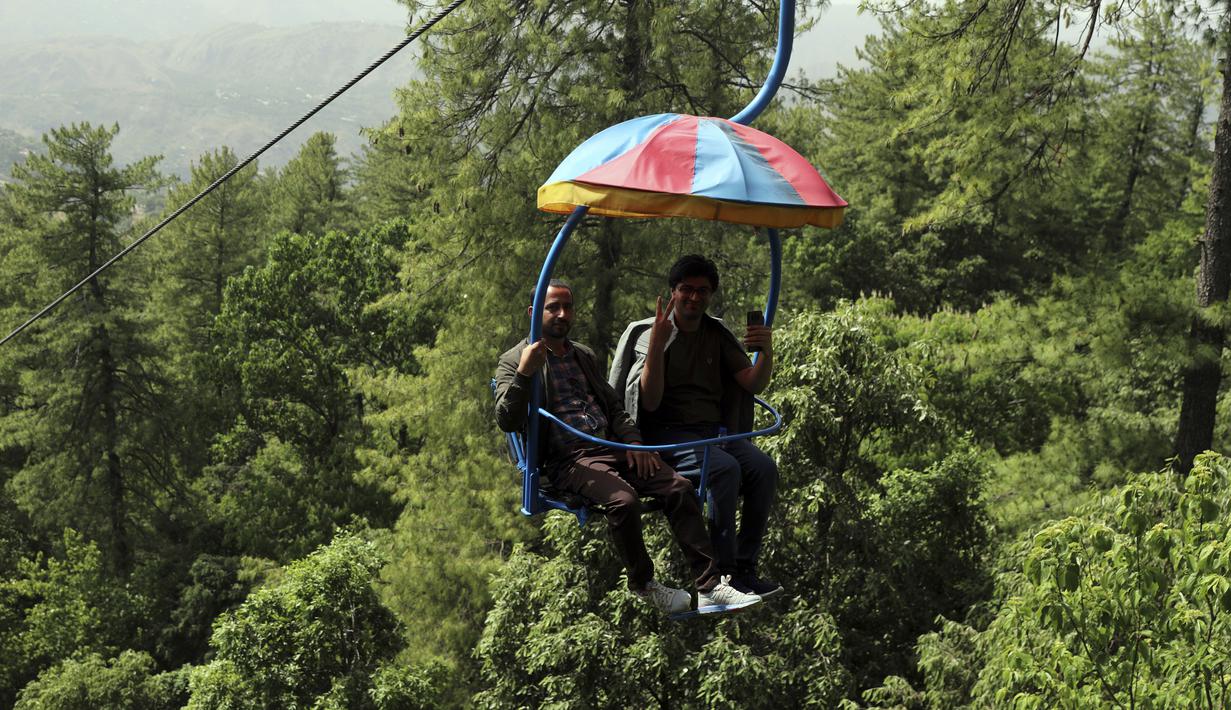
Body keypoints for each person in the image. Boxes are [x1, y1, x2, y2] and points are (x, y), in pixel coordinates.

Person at [494, 279, 760, 616]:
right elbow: (506, 418)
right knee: (623, 500)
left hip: (610, 447)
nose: (562, 314)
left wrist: (635, 443)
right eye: (553, 308)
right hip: (569, 459)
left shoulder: (582, 355)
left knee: (678, 487)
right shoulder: (515, 359)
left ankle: (709, 587)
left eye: (568, 307)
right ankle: (644, 584)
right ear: (534, 314)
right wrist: (524, 373)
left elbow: (614, 408)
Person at [610, 255, 783, 598]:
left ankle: (745, 568)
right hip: (666, 437)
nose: (694, 298)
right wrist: (658, 345)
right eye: (686, 289)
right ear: (672, 292)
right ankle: (723, 577)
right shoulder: (650, 334)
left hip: (712, 435)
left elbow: (751, 382)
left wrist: (765, 351)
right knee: (724, 470)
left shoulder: (715, 333)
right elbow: (649, 401)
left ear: (711, 295)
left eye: (702, 291)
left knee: (763, 468)